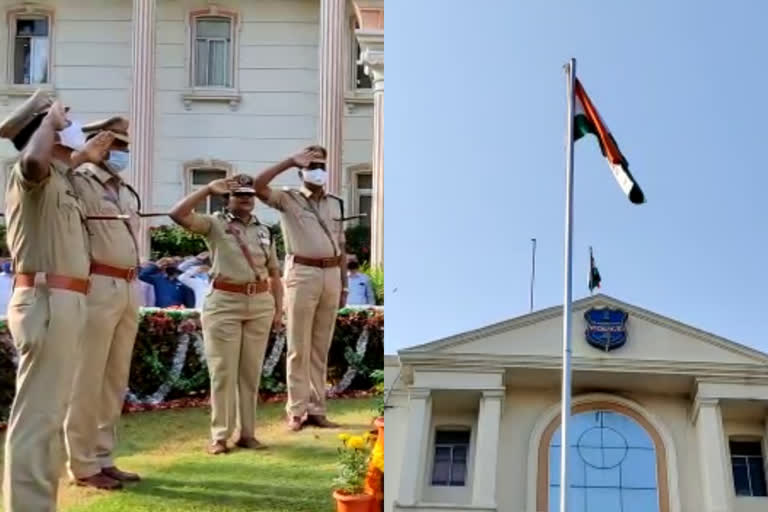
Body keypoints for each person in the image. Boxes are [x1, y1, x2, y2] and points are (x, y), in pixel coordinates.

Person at [0, 93, 110, 511]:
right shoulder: (28, 172)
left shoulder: (60, 177)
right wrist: (49, 121)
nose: (71, 125)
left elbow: (67, 162)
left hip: (64, 301)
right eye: (65, 122)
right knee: (38, 417)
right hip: (47, 300)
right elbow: (33, 162)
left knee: (49, 414)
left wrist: (87, 151)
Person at [169, 174, 282, 454]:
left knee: (250, 372)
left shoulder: (265, 230)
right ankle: (220, 435)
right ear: (227, 199)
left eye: (250, 194)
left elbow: (275, 274)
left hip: (259, 302)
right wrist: (206, 189)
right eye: (239, 194)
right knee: (222, 372)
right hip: (225, 302)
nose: (246, 198)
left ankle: (247, 433)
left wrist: (279, 309)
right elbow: (178, 214)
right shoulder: (215, 224)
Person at [63, 117, 142, 490]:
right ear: (99, 145)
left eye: (125, 147)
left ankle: (103, 455)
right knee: (87, 377)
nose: (122, 153)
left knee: (114, 378)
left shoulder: (124, 189)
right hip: (97, 281)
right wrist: (81, 154)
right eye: (116, 146)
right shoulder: (78, 178)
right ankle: (81, 463)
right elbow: (46, 172)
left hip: (128, 284)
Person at [252, 146, 347, 431]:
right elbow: (258, 187)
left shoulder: (335, 203)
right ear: (302, 171)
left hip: (330, 272)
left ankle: (317, 409)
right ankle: (296, 410)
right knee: (298, 345)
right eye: (312, 165)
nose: (318, 170)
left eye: (322, 165)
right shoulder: (288, 198)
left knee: (321, 345)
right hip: (302, 271)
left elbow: (341, 245)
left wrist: (343, 284)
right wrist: (289, 160)